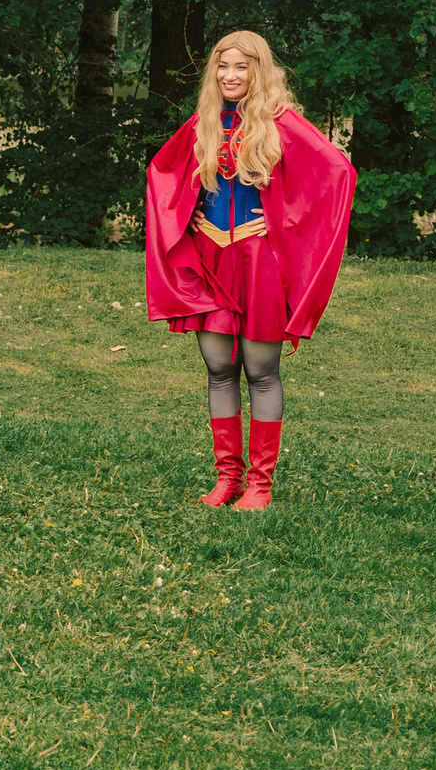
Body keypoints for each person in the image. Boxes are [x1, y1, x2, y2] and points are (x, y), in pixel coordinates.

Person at [144, 30, 355, 510]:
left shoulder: (281, 122)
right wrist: (188, 209)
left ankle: (260, 485)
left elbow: (337, 172)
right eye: (223, 66)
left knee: (261, 371)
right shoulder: (206, 121)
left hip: (259, 261)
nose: (230, 76)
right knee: (219, 369)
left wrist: (282, 219)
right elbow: (162, 171)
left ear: (259, 71)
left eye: (241, 67)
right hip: (211, 258)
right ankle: (227, 480)